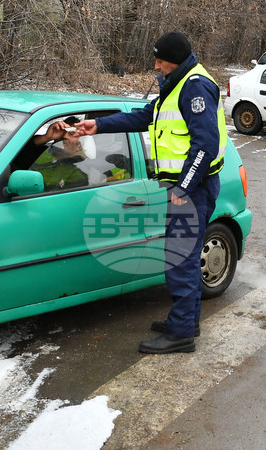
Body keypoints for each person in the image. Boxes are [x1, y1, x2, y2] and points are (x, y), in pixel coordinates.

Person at [74, 31, 226, 354]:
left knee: (180, 257)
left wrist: (183, 187)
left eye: (160, 60)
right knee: (184, 253)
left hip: (193, 188)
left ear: (176, 59)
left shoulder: (194, 87)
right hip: (187, 188)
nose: (155, 66)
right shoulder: (176, 84)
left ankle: (181, 334)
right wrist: (98, 126)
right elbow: (146, 116)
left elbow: (205, 145)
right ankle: (187, 321)